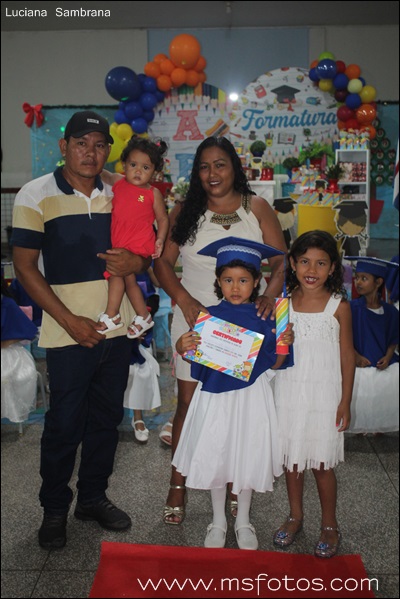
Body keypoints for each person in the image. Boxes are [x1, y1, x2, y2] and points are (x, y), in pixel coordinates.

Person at [11, 110, 151, 550]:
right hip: (67, 333)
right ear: (64, 146)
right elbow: (24, 267)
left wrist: (138, 261)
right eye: (81, 143)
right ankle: (54, 509)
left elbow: (145, 247)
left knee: (107, 421)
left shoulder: (122, 188)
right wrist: (69, 320)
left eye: (99, 144)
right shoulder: (35, 194)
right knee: (63, 424)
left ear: (109, 149)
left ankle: (92, 498)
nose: (90, 153)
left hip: (116, 330)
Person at [153, 136, 287, 524]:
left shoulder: (256, 207)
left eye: (220, 165)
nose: (212, 173)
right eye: (204, 167)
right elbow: (162, 264)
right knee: (188, 404)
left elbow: (281, 263)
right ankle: (177, 484)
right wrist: (184, 300)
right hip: (196, 320)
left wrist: (269, 297)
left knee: (236, 408)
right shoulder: (185, 210)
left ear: (234, 167)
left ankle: (233, 484)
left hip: (245, 325)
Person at [173, 237, 293, 549]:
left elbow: (276, 363)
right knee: (217, 451)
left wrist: (284, 342)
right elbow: (195, 357)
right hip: (216, 397)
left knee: (247, 452)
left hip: (251, 398)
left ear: (256, 282)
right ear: (218, 281)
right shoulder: (207, 316)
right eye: (228, 280)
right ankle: (218, 520)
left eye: (243, 280)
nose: (235, 287)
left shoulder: (267, 316)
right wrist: (182, 346)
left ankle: (243, 520)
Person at [272, 230, 355, 558]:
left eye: (321, 263)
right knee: (292, 461)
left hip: (324, 396)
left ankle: (329, 524)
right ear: (292, 263)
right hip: (289, 391)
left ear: (333, 268)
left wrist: (345, 400)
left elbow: (347, 356)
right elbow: (275, 357)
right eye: (305, 261)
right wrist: (282, 342)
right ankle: (295, 516)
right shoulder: (283, 305)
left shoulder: (339, 307)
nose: (312, 269)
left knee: (321, 463)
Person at [98, 136, 169, 338]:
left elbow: (163, 219)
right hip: (121, 241)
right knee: (129, 281)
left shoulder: (152, 194)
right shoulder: (118, 182)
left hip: (137, 243)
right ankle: (143, 316)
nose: (138, 171)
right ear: (124, 165)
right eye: (133, 165)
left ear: (154, 172)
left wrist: (160, 239)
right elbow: (101, 171)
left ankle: (112, 315)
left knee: (115, 274)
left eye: (145, 168)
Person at [344, 256, 399, 434]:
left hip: (383, 367)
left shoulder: (391, 312)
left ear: (378, 282)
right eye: (357, 278)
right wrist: (355, 356)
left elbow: (394, 338)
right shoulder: (351, 308)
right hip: (359, 366)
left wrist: (388, 356)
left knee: (382, 404)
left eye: (364, 278)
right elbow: (342, 337)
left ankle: (378, 428)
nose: (358, 282)